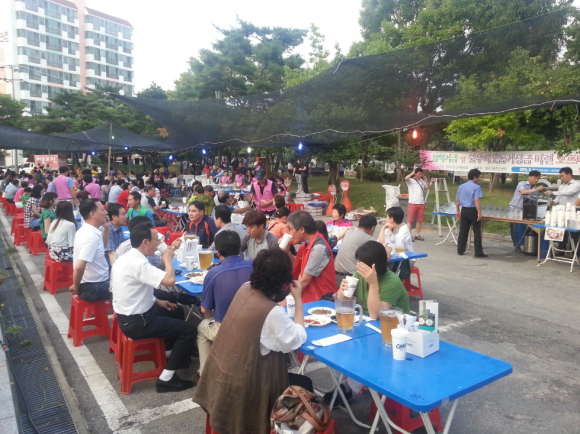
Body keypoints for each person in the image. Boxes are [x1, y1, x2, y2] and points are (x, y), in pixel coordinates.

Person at [194, 249, 309, 434]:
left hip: (220, 379)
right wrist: (298, 299)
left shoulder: (245, 288)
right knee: (305, 384)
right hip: (247, 389)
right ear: (284, 282)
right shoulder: (271, 312)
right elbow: (297, 337)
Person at [111, 224, 196, 393]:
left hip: (130, 314)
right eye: (156, 240)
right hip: (138, 321)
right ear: (145, 242)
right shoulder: (138, 263)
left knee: (176, 311)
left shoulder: (127, 257)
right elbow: (170, 281)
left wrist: (157, 301)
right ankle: (166, 379)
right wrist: (167, 258)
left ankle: (171, 355)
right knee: (189, 330)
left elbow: (135, 290)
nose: (158, 244)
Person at [196, 231, 253, 384]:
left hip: (226, 329)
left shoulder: (213, 273)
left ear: (218, 253)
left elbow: (204, 310)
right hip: (254, 325)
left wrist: (211, 317)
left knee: (202, 329)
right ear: (239, 250)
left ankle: (205, 376)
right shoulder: (253, 266)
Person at [284, 211, 337, 303]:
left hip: (320, 299)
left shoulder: (318, 248)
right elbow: (298, 266)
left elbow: (304, 281)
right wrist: (287, 251)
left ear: (302, 229)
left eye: (291, 229)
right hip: (308, 294)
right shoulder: (306, 244)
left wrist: (286, 302)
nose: (290, 233)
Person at [70, 199, 111, 302]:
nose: (106, 212)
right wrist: (75, 286)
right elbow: (79, 267)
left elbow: (102, 246)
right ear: (93, 214)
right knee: (129, 287)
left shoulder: (87, 230)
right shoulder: (90, 236)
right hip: (93, 287)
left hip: (96, 282)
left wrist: (107, 228)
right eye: (102, 210)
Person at [334, 215, 378, 288]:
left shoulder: (349, 232)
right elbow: (382, 254)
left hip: (335, 275)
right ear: (373, 228)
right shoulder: (369, 239)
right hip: (351, 278)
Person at [508, 170, 544, 253]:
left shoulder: (535, 189)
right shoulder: (522, 184)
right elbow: (523, 192)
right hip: (514, 208)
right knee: (514, 228)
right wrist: (536, 190)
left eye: (538, 178)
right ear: (529, 177)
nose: (536, 180)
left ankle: (529, 245)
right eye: (535, 178)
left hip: (525, 210)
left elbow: (533, 201)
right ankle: (517, 245)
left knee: (528, 227)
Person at [456, 168, 487, 258]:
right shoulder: (476, 187)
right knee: (476, 231)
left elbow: (457, 200)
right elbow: (476, 200)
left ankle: (460, 250)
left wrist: (457, 210)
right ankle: (478, 252)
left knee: (463, 230)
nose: (478, 179)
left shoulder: (461, 186)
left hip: (464, 210)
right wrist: (479, 213)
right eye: (478, 177)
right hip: (473, 210)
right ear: (475, 177)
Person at [405, 167, 431, 241]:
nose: (420, 175)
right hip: (413, 203)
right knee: (410, 220)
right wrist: (412, 173)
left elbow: (429, 187)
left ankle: (417, 234)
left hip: (421, 203)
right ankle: (409, 235)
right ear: (415, 173)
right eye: (419, 174)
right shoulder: (411, 180)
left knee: (420, 220)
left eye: (421, 174)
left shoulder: (422, 181)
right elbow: (406, 178)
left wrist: (426, 181)